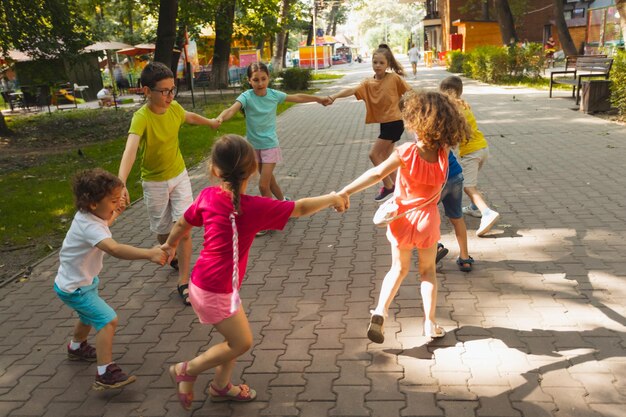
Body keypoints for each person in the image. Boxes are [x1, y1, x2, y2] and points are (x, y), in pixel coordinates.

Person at [162, 134, 345, 410]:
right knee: (241, 342)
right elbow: (301, 207)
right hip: (215, 290)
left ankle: (221, 387)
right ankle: (187, 370)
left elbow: (182, 222)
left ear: (213, 169)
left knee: (232, 340)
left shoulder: (208, 196)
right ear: (253, 169)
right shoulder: (254, 207)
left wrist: (169, 244)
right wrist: (331, 197)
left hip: (203, 283)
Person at [337, 90, 470, 344]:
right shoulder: (444, 154)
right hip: (428, 222)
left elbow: (376, 174)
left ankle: (380, 311)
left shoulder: (407, 152)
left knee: (397, 269)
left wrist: (346, 191)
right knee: (428, 271)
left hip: (402, 219)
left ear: (416, 123)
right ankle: (430, 323)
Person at [118, 61, 221, 306]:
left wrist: (210, 122)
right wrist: (121, 182)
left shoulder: (173, 107)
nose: (169, 95)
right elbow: (130, 149)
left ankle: (184, 282)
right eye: (164, 91)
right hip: (153, 182)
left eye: (172, 89)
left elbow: (189, 117)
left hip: (179, 175)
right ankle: (170, 250)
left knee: (184, 228)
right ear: (146, 91)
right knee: (163, 232)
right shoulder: (141, 117)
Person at [54, 168, 167, 390]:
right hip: (75, 288)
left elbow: (103, 226)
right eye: (113, 200)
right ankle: (104, 373)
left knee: (88, 316)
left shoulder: (90, 216)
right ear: (94, 204)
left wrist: (116, 213)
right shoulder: (88, 225)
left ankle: (76, 348)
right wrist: (149, 253)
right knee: (107, 320)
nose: (117, 204)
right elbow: (114, 249)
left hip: (81, 283)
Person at [216, 63, 331, 207]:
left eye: (263, 79)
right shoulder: (246, 96)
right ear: (249, 80)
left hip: (270, 146)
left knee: (263, 186)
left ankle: (269, 218)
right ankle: (284, 203)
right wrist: (220, 118)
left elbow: (297, 97)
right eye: (256, 80)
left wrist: (318, 99)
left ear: (268, 78)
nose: (260, 83)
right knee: (270, 181)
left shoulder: (273, 95)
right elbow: (232, 110)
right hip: (253, 149)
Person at [328, 44, 411, 203]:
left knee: (374, 155)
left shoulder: (394, 78)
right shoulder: (368, 83)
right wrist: (334, 96)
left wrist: (411, 109)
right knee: (387, 159)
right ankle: (402, 188)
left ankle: (389, 186)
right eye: (375, 62)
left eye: (381, 63)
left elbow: (410, 92)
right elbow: (351, 90)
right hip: (385, 123)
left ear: (387, 64)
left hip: (395, 122)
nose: (378, 66)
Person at [439, 75, 500, 237]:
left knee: (467, 185)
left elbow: (451, 134)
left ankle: (487, 212)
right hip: (482, 148)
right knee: (471, 180)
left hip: (472, 153)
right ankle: (474, 208)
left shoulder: (452, 110)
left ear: (444, 92)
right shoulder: (463, 105)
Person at [435, 150, 473, 272]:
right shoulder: (447, 131)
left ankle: (435, 248)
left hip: (439, 179)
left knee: (427, 215)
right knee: (457, 218)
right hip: (455, 175)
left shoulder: (424, 134)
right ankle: (465, 257)